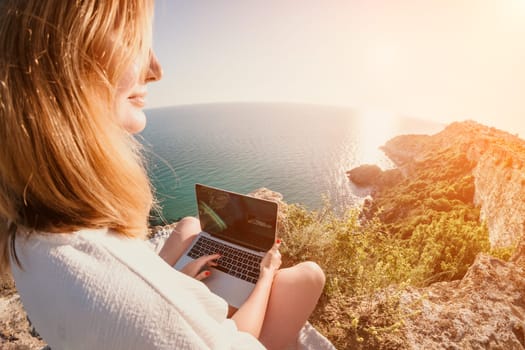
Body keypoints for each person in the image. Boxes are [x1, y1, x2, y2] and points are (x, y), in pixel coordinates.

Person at [0, 1, 326, 349]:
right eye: (135, 43)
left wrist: (175, 283)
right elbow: (234, 340)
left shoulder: (22, 233)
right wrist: (264, 276)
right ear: (66, 65)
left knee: (190, 225)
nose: (156, 69)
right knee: (308, 275)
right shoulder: (153, 308)